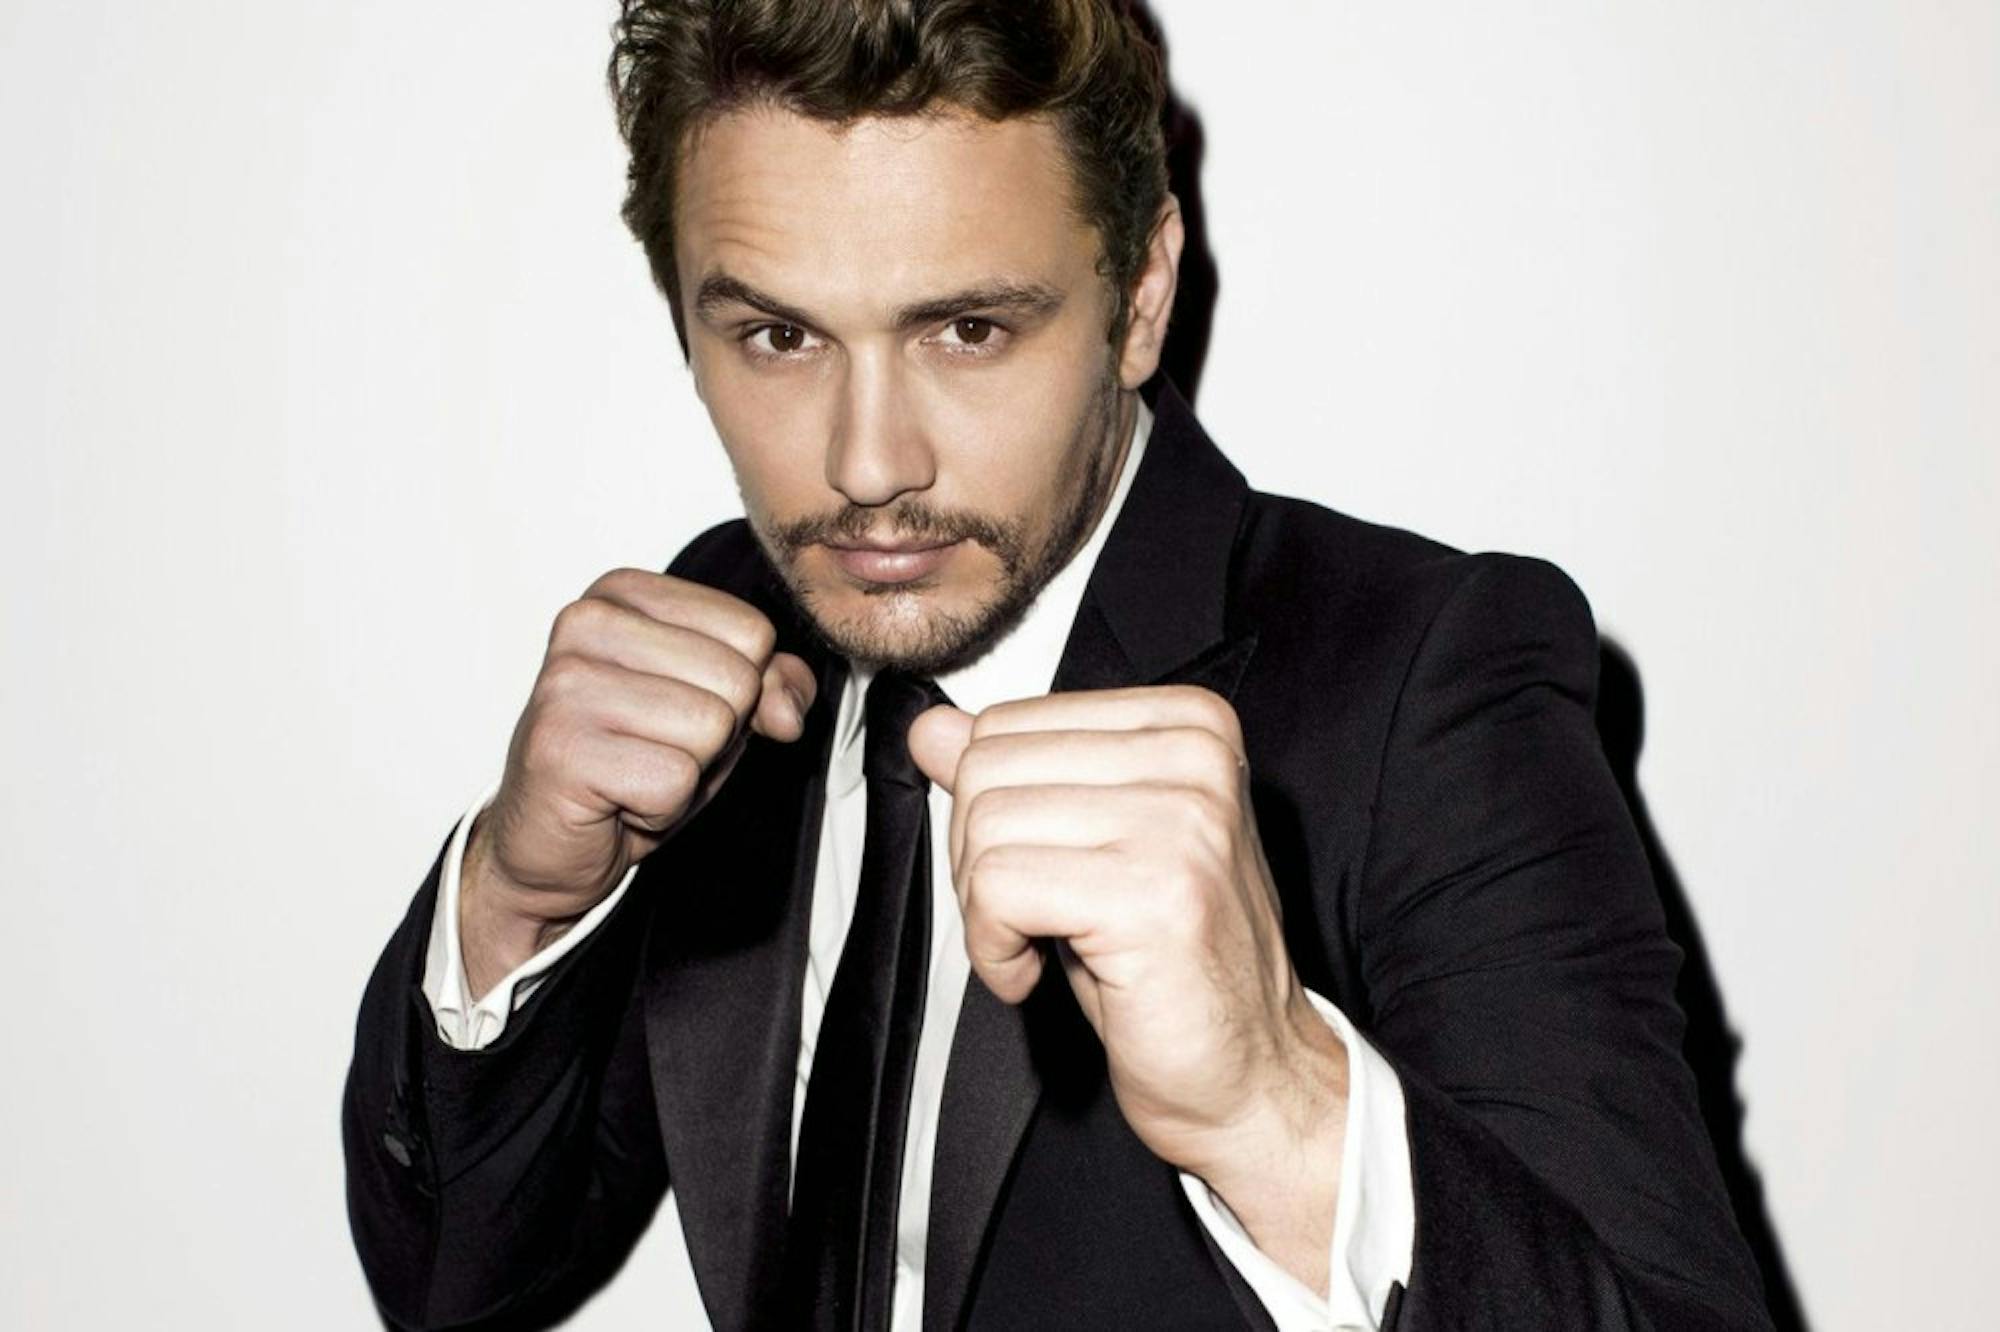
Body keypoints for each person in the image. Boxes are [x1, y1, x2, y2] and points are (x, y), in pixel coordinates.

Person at [343, 2, 1772, 1328]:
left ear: (1140, 295)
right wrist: (518, 899)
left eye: (967, 331)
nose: (867, 467)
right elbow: (455, 1278)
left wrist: (1275, 1107)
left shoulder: (1422, 687)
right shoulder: (723, 635)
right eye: (777, 337)